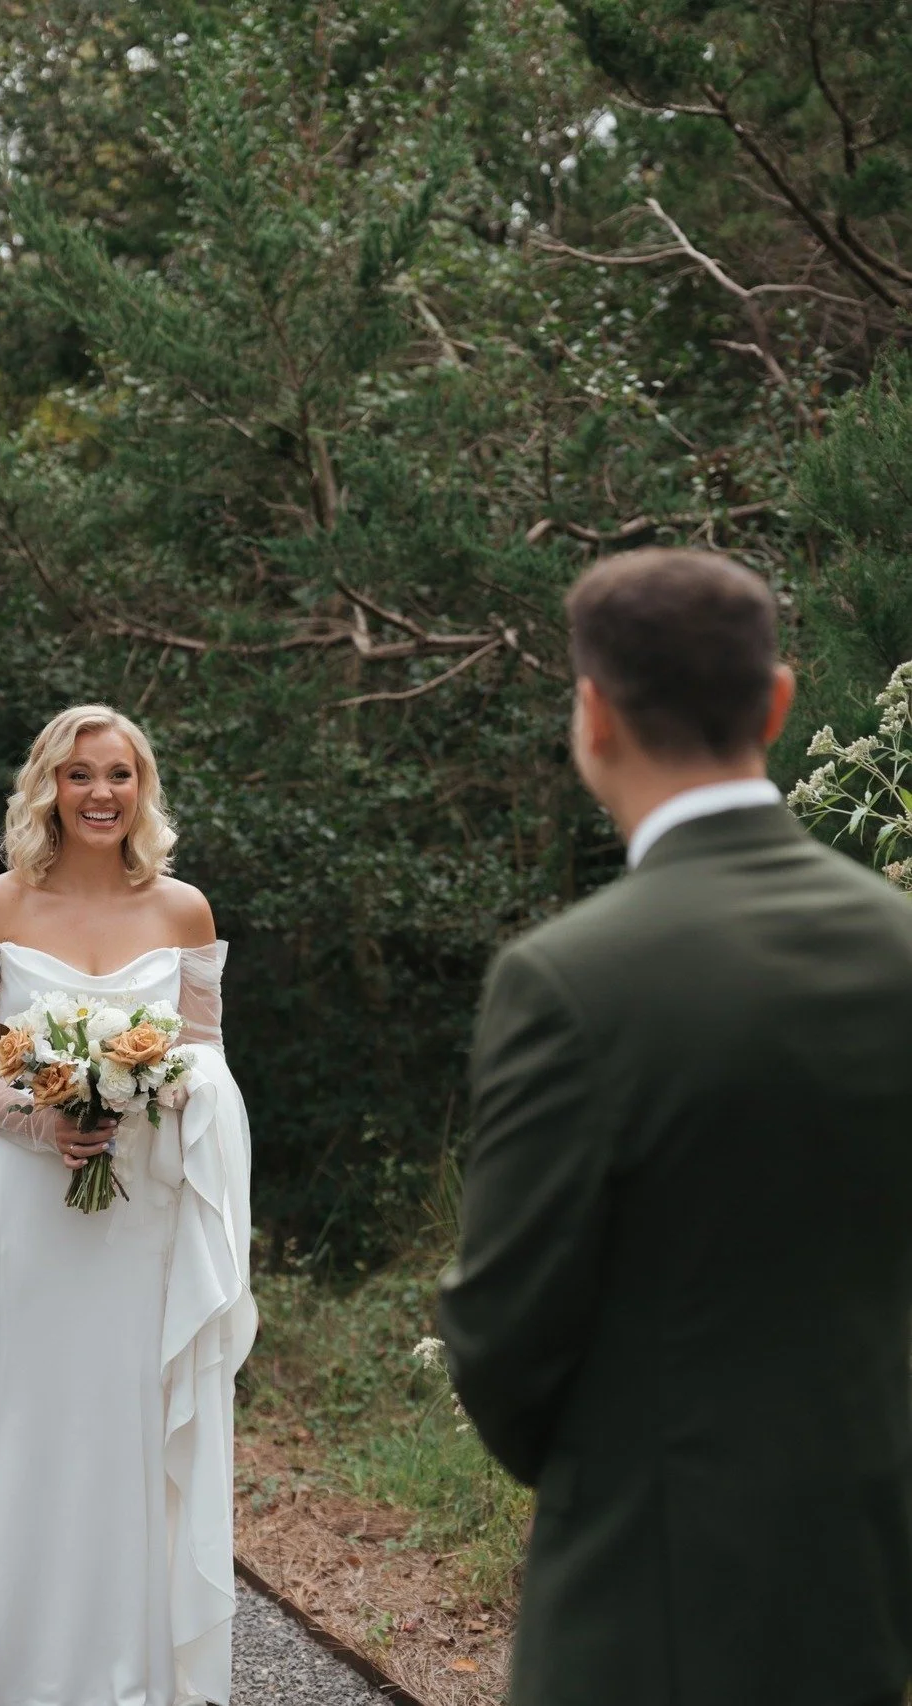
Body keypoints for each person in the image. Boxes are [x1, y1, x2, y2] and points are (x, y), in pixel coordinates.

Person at [437, 548, 912, 1706]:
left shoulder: (567, 978)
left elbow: (504, 1333)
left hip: (647, 1604)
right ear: (781, 699)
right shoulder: (897, 943)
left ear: (592, 714)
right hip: (875, 1584)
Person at [0, 704, 257, 1706]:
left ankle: (135, 1680)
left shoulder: (184, 910)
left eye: (119, 773)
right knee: (32, 1430)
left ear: (141, 788)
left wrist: (151, 1090)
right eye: (79, 774)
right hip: (26, 1211)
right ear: (48, 787)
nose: (101, 791)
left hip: (145, 1214)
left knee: (135, 1427)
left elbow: (206, 1057)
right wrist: (38, 1117)